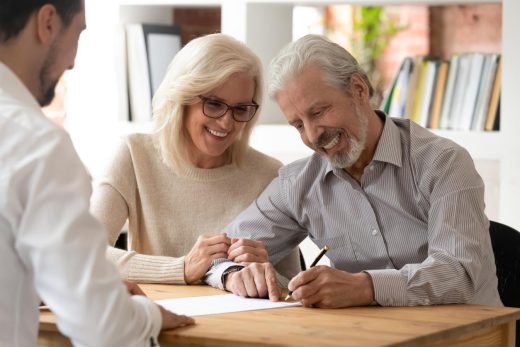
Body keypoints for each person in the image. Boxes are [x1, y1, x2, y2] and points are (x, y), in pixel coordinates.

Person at [205, 34, 502, 308]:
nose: (312, 135)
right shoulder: (298, 184)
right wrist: (233, 273)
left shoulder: (444, 162)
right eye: (298, 124)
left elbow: (459, 274)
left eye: (318, 112)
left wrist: (366, 287)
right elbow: (218, 253)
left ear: (359, 89)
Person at [0, 1, 194, 345]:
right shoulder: (37, 146)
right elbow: (101, 327)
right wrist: (147, 315)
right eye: (77, 34)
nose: (72, 62)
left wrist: (41, 283)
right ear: (47, 23)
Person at [90, 33, 300, 287]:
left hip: (239, 323)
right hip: (158, 318)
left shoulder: (269, 174)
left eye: (240, 109)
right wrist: (182, 268)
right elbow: (85, 253)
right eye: (213, 104)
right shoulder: (133, 155)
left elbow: (291, 289)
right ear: (182, 99)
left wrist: (264, 272)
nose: (226, 122)